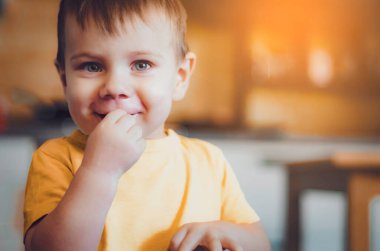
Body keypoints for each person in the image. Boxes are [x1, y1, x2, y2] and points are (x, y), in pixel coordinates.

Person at [23, 0, 271, 250]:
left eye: (141, 65)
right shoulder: (55, 159)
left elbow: (260, 243)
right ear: (65, 79)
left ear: (180, 77)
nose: (115, 87)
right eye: (92, 66)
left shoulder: (209, 162)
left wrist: (224, 232)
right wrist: (99, 171)